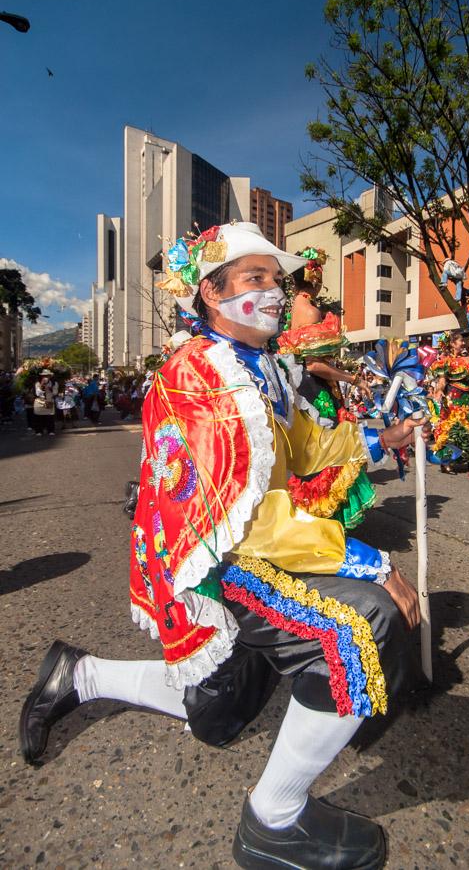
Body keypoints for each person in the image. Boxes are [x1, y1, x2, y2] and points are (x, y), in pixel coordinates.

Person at [20, 222, 427, 870]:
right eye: (255, 278)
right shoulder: (200, 378)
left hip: (240, 551)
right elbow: (249, 525)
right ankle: (275, 819)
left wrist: (383, 441)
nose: (273, 292)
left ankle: (81, 674)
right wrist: (370, 562)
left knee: (218, 710)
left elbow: (300, 455)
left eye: (275, 278)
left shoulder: (255, 367)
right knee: (358, 624)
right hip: (216, 563)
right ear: (212, 292)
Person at [277, 248, 376, 529]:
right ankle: (327, 522)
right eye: (320, 271)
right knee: (331, 454)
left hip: (300, 392)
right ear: (313, 274)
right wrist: (352, 378)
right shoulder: (310, 310)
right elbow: (314, 365)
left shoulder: (290, 309)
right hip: (315, 392)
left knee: (311, 456)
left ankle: (311, 521)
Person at [429, 330, 469, 470]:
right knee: (451, 429)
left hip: (467, 400)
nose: (463, 343)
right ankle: (447, 461)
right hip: (452, 400)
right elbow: (443, 381)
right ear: (452, 343)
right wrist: (439, 391)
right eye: (461, 341)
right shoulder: (446, 361)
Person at [33, 370, 57, 436]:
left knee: (50, 417)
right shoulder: (37, 383)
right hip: (39, 401)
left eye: (47, 376)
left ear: (50, 376)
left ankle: (51, 430)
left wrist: (50, 388)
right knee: (39, 417)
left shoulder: (54, 383)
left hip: (49, 401)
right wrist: (42, 384)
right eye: (44, 376)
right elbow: (37, 393)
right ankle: (39, 431)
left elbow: (55, 393)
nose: (45, 377)